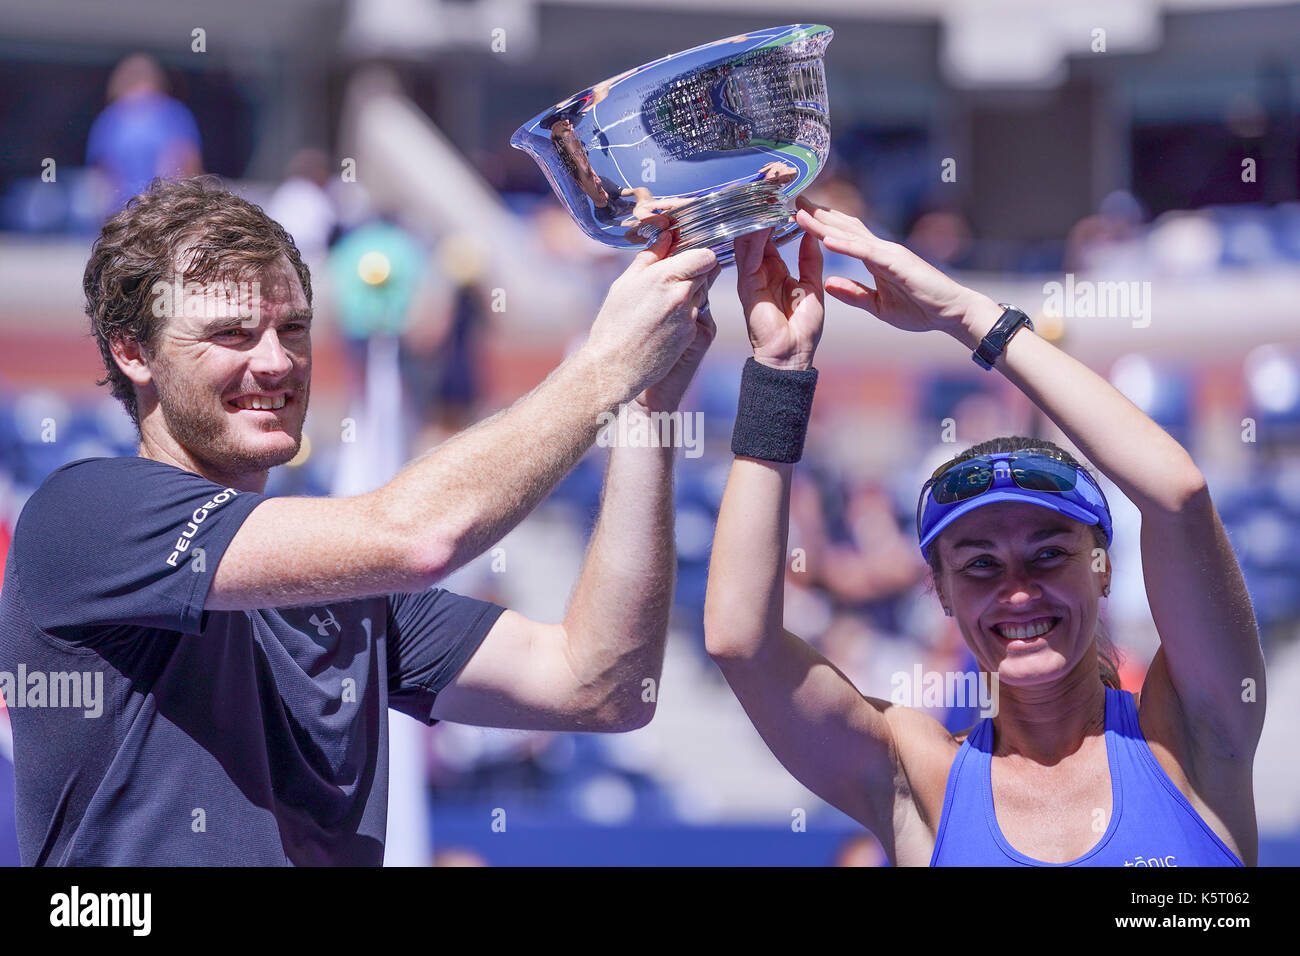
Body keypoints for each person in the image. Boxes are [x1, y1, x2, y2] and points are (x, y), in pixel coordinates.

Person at [0, 176, 719, 865]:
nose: (277, 361)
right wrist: (603, 367)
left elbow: (602, 685)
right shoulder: (84, 513)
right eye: (232, 334)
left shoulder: (339, 588)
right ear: (134, 353)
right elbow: (417, 537)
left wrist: (646, 410)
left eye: (294, 327)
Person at [703, 197, 1265, 866]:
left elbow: (1177, 492)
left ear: (1102, 567)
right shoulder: (922, 779)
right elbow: (740, 641)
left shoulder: (1192, 737)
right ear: (939, 592)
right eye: (979, 566)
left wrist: (971, 319)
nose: (1018, 590)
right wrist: (779, 372)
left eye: (1049, 554)